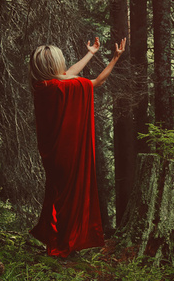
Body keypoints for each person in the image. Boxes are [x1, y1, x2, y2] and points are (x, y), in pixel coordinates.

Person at [28, 37, 126, 258]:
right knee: (69, 198)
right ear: (54, 64)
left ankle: (58, 242)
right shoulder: (67, 86)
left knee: (57, 194)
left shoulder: (41, 86)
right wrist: (115, 58)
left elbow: (66, 76)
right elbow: (97, 81)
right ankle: (63, 246)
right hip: (69, 153)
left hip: (52, 154)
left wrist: (91, 53)